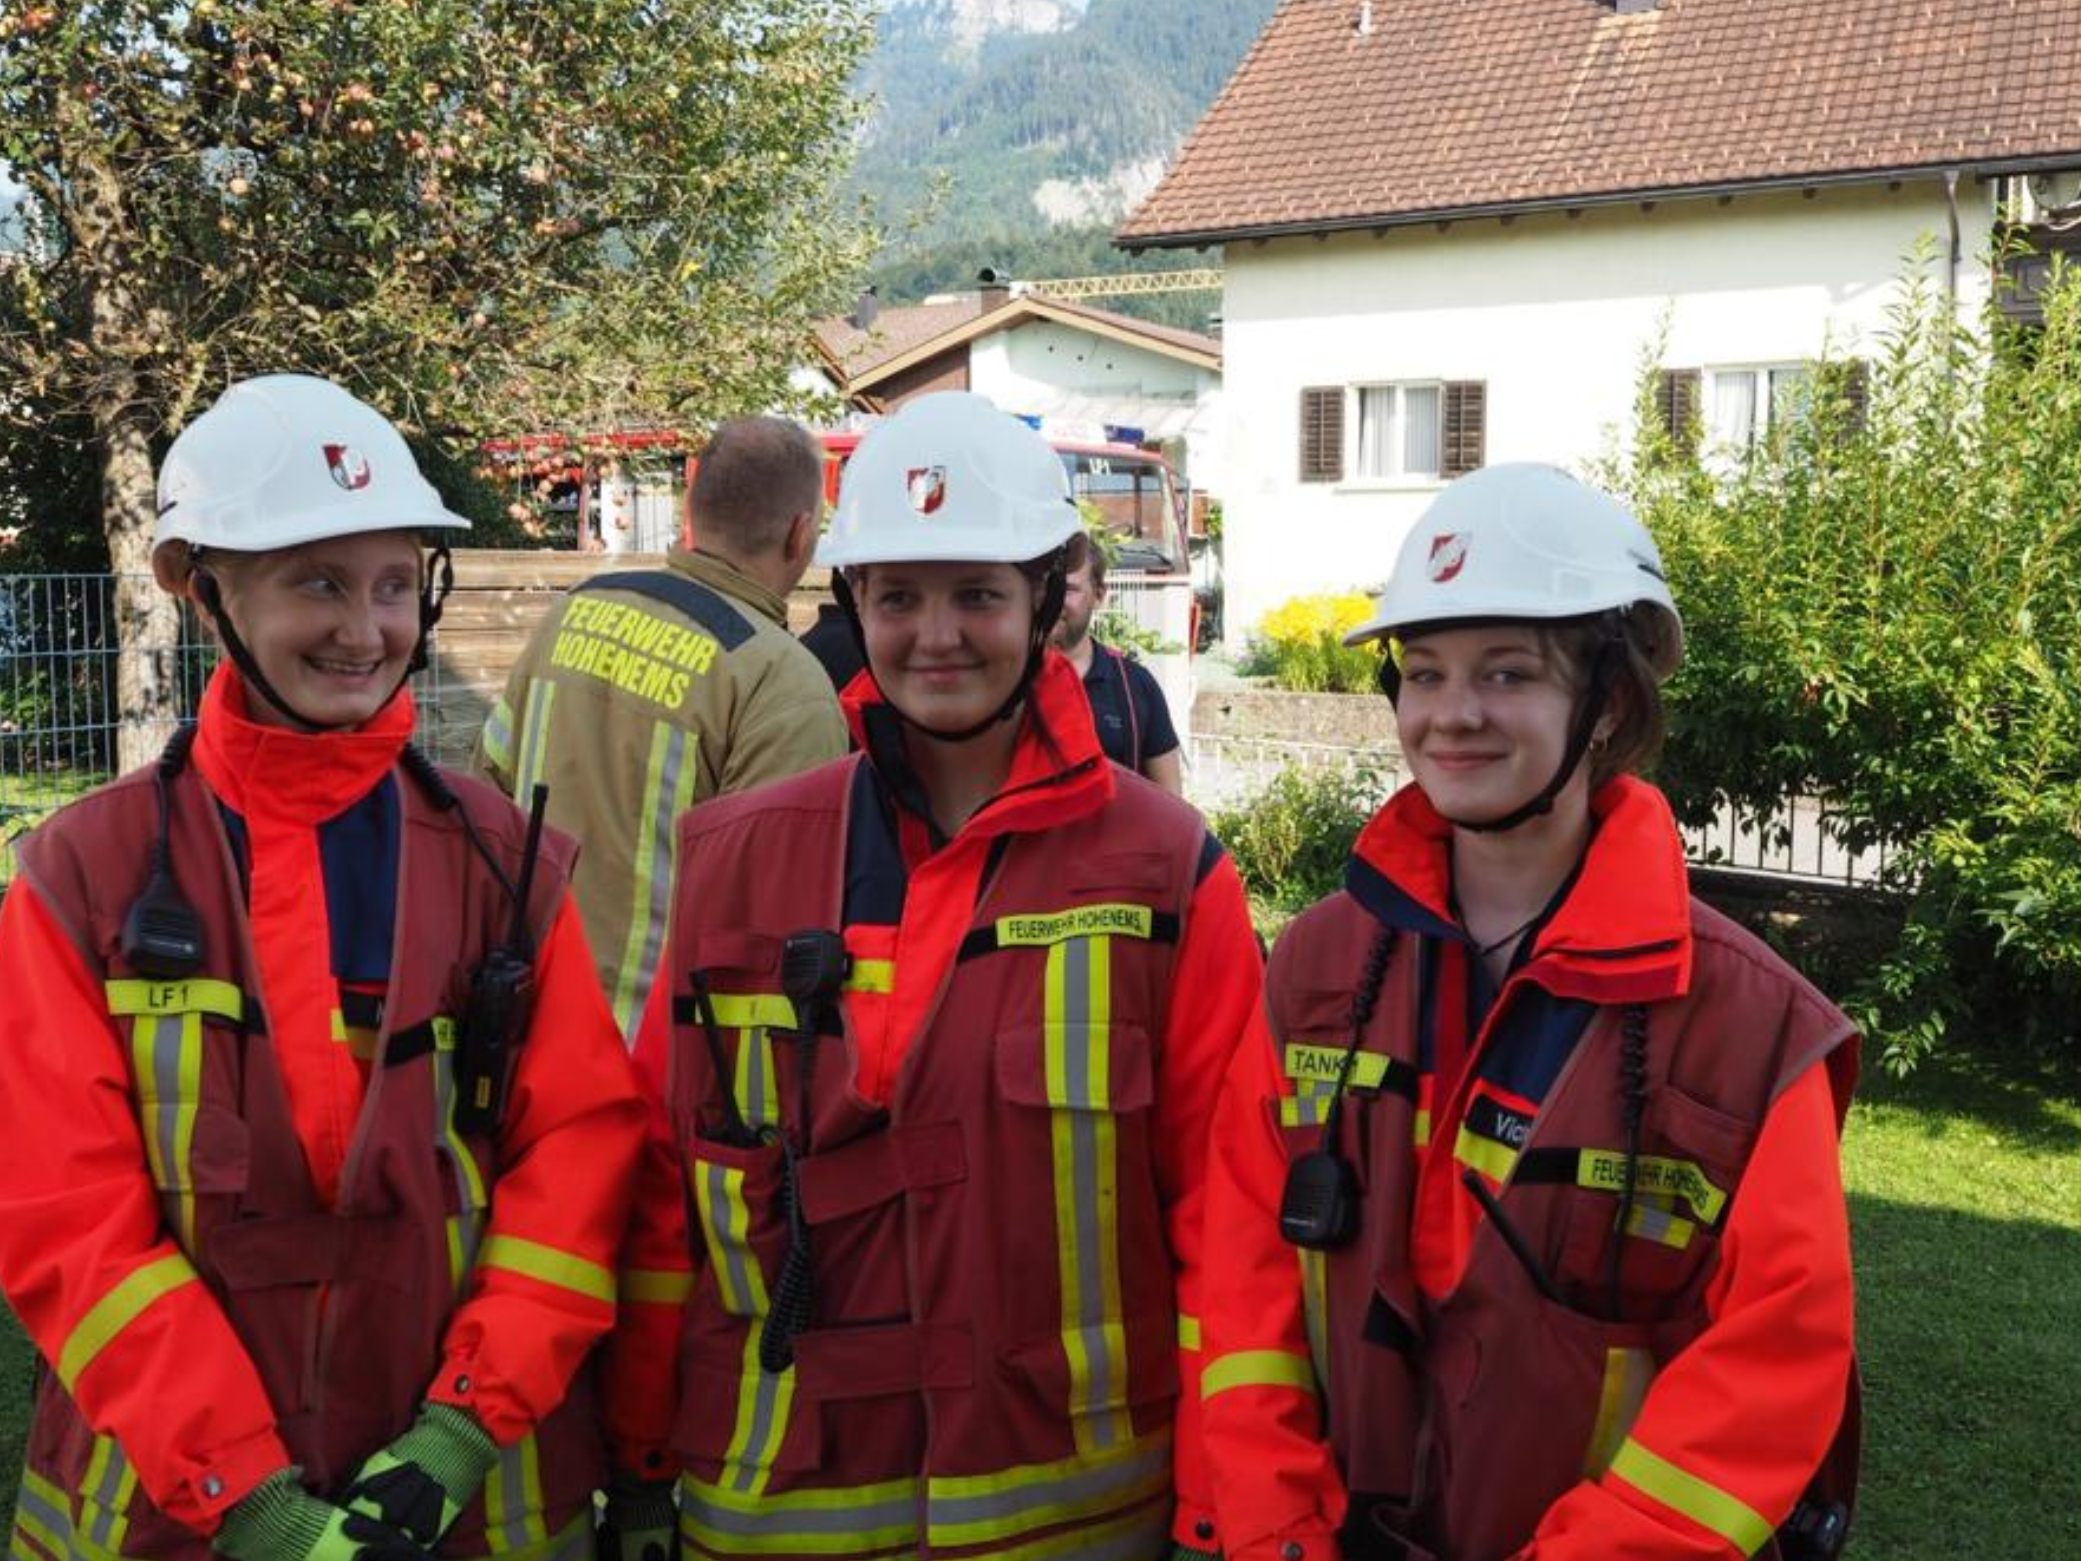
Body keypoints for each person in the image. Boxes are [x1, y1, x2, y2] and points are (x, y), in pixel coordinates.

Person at [596, 391, 1266, 1560]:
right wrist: (637, 1458)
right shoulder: (735, 860)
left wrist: (1222, 1506)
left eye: (976, 594)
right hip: (772, 1508)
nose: (935, 635)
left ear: (1046, 598)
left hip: (1078, 1517)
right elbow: (665, 1196)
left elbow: (1229, 1225)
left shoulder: (1165, 874)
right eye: (898, 596)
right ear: (852, 602)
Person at [0, 375, 644, 1561]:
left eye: (394, 584)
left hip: (465, 1504)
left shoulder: (507, 868)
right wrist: (243, 1493)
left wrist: (461, 1431)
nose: (366, 629)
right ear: (202, 591)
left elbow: (578, 1168)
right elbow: (65, 1218)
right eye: (317, 582)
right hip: (170, 1517)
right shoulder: (78, 877)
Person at [1197, 465, 1859, 1561]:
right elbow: (1243, 1280)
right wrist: (1278, 1532)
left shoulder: (1747, 1029)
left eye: (1506, 673)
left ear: (1608, 704)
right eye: (1423, 673)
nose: (1450, 715)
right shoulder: (1317, 966)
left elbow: (1772, 1363)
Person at [476, 416, 847, 1044]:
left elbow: (487, 794)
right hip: (665, 1067)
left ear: (693, 513)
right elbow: (778, 919)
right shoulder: (783, 684)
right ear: (800, 533)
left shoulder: (570, 615)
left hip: (522, 1029)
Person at [1053, 545, 1185, 795]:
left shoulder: (1136, 686)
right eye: (1045, 587)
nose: (1052, 599)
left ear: (1099, 595)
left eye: (1068, 589)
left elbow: (1171, 803)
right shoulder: (1004, 684)